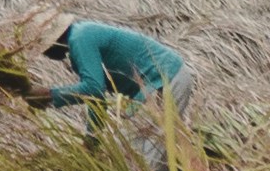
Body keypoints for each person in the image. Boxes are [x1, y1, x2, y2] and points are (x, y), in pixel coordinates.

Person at [37, 16, 189, 122]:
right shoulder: (79, 41)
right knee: (133, 146)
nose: (45, 54)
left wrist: (50, 95)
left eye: (44, 49)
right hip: (152, 87)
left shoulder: (80, 38)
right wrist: (92, 140)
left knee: (147, 150)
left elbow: (93, 89)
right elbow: (97, 98)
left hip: (165, 78)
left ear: (53, 41)